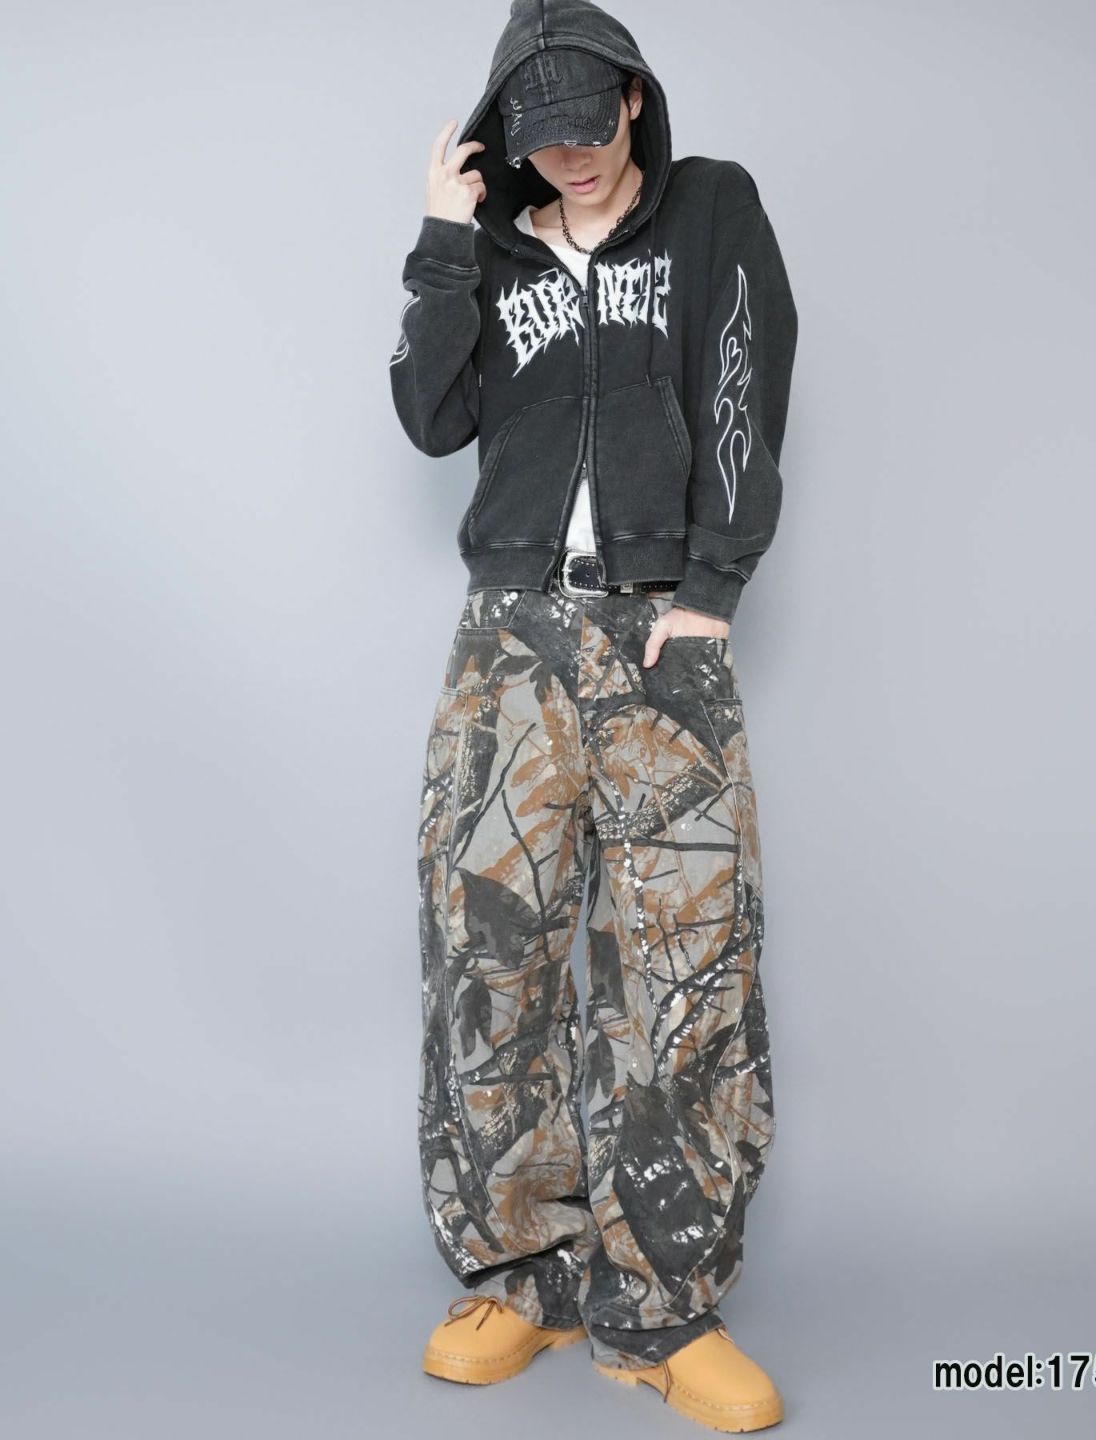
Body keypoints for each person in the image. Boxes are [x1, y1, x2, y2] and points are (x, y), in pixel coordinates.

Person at [388, 0, 797, 1429]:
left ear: (633, 100)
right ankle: (521, 1277)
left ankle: (663, 1304)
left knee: (686, 968)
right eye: (541, 135)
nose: (571, 157)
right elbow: (430, 418)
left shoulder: (710, 211)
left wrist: (715, 585)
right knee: (486, 954)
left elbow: (743, 384)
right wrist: (444, 240)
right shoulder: (492, 245)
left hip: (658, 629)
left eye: (590, 126)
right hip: (510, 634)